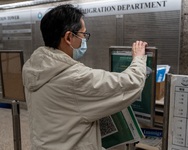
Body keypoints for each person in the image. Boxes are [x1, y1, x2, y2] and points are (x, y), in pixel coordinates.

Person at [22, 4, 147, 150]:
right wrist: (138, 58)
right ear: (69, 37)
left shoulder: (33, 67)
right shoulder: (75, 78)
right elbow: (130, 84)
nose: (84, 40)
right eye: (83, 35)